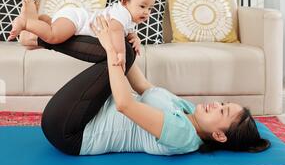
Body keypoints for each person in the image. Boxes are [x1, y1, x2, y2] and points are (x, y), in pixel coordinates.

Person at [20, 15, 271, 157]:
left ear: (219, 135)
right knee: (124, 51)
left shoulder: (182, 135)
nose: (217, 104)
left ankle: (45, 37)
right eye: (225, 104)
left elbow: (124, 104)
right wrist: (126, 41)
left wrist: (111, 48)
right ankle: (42, 37)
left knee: (118, 53)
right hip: (81, 116)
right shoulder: (187, 110)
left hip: (71, 131)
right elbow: (141, 85)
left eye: (223, 112)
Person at [9, 0, 156, 70]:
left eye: (150, 8)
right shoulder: (122, 14)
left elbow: (126, 31)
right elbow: (116, 31)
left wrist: (134, 37)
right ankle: (26, 23)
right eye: (142, 6)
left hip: (74, 17)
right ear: (124, 2)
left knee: (50, 29)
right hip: (77, 20)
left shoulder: (127, 16)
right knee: (53, 36)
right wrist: (121, 54)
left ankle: (40, 20)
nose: (146, 12)